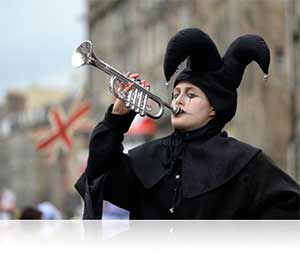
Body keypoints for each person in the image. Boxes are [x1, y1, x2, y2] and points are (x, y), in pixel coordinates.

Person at [75, 28, 300, 219]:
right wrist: (116, 119)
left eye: (190, 95)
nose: (178, 100)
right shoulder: (149, 158)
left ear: (214, 108)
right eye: (176, 93)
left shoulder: (244, 162)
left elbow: (290, 209)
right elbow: (99, 172)